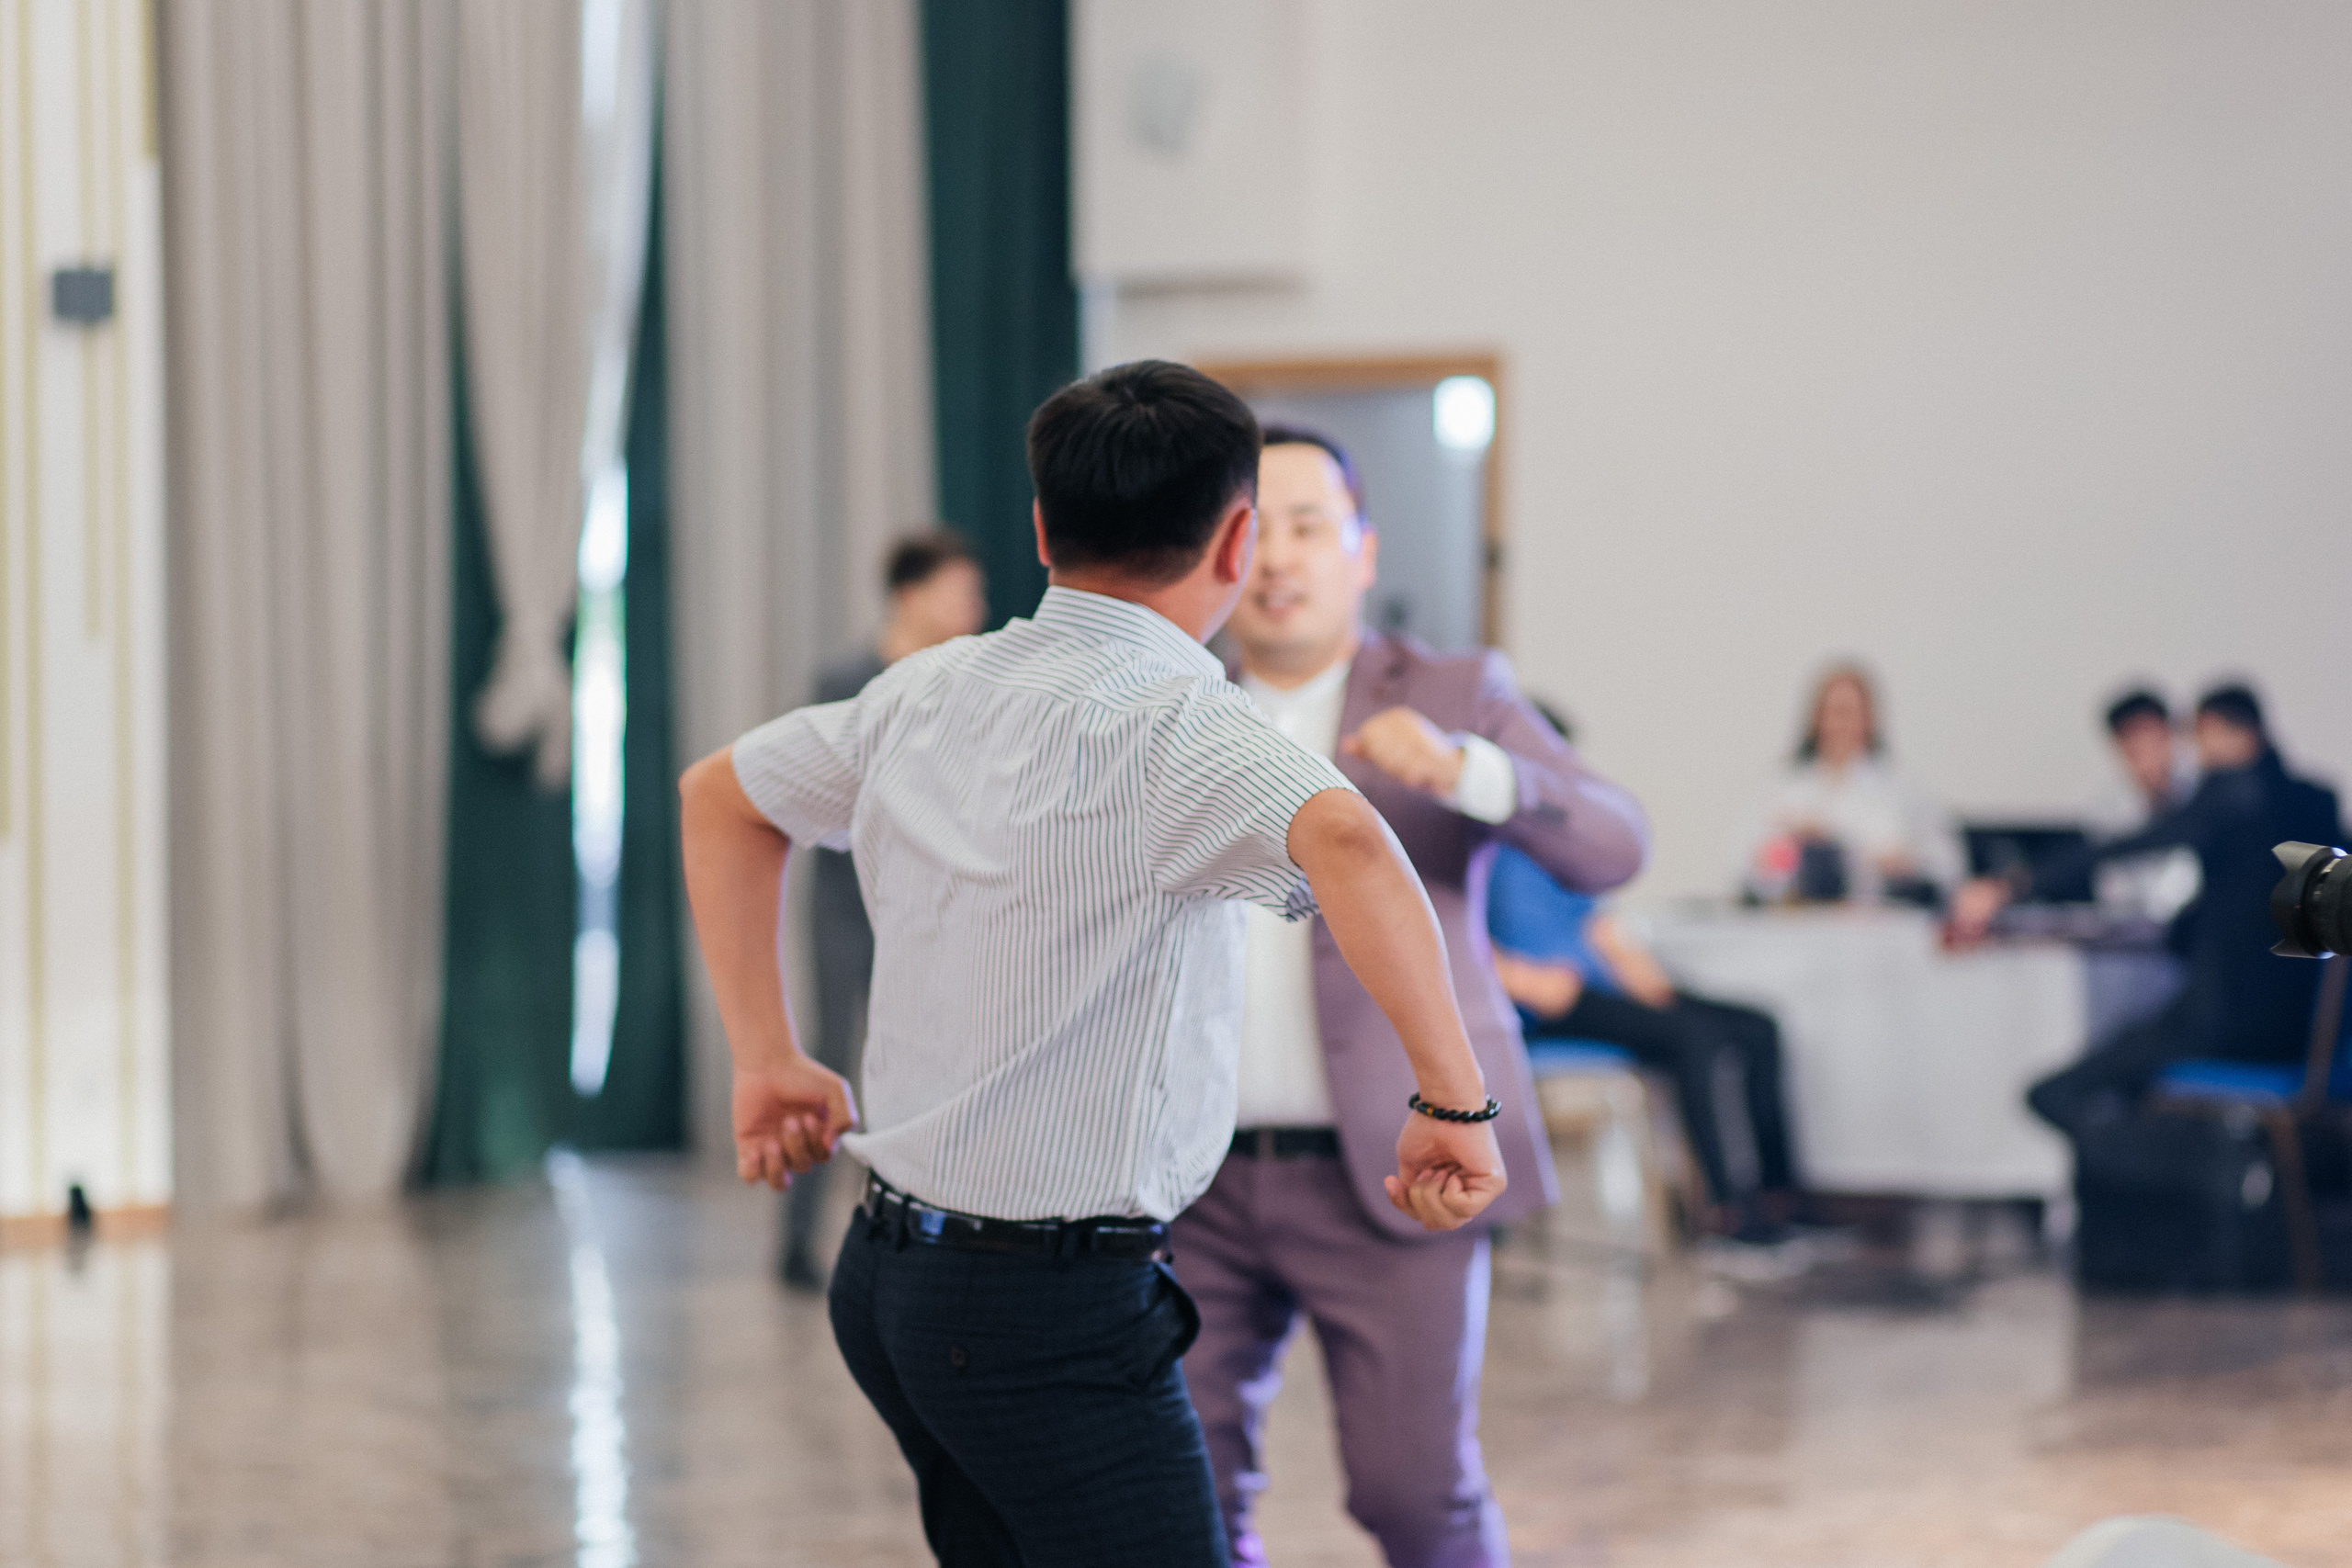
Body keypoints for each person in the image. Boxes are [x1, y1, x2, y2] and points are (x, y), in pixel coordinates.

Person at [679, 362, 1510, 1568]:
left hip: (887, 1282)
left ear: (1039, 529)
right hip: (1043, 1312)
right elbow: (1348, 841)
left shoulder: (924, 688)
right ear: (1235, 540)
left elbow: (720, 794)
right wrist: (1453, 1098)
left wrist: (766, 1055)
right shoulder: (1187, 723)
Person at [1174, 425, 1649, 1568]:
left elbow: (1612, 844)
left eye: (1307, 526)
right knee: (1180, 1495)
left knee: (1411, 1494)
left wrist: (1469, 772)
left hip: (1399, 1164)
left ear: (1362, 550)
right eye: (1251, 529)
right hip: (1187, 1175)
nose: (1278, 557)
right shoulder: (1172, 704)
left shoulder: (1452, 691)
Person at [1954, 683, 2344, 1135]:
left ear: (2217, 732)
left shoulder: (2230, 795)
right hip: (2315, 1038)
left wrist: (2011, 886)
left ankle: (2167, 1187)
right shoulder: (2318, 803)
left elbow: (2133, 845)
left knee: (2055, 1093)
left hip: (2229, 1026)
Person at [779, 531, 988, 1292]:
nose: (976, 608)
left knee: (934, 1071)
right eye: (961, 591)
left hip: (933, 909)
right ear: (912, 594)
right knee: (831, 1063)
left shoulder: (970, 682)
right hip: (846, 909)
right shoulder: (846, 677)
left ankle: (919, 1229)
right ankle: (797, 1238)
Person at [1488, 837, 1799, 1240]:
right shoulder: (1481, 846)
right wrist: (1523, 980)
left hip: (1605, 987)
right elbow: (1461, 937)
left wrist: (1647, 978)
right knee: (1695, 1038)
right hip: (1550, 1002)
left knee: (1758, 1027)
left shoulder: (1555, 847)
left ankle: (1780, 1196)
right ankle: (1725, 1209)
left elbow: (1599, 926)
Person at [1737, 663, 1963, 903]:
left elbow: (1948, 867)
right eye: (1834, 711)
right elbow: (1742, 865)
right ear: (1816, 717)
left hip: (1881, 925)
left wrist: (1902, 864)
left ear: (1871, 719)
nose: (1842, 724)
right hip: (1798, 925)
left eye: (1853, 712)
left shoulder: (1902, 787)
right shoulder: (1784, 784)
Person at [2086, 687, 2200, 924]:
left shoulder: (2203, 792)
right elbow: (2113, 890)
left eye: (2154, 741)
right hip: (2138, 938)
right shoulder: (2107, 808)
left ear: (2170, 735)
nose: (2147, 757)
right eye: (2134, 749)